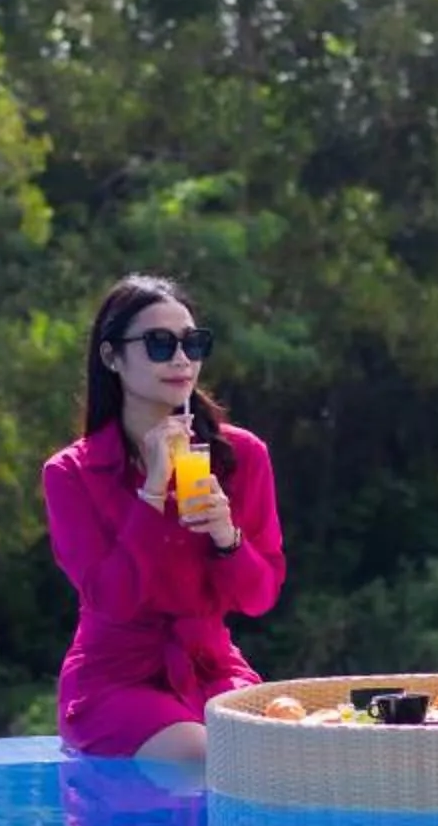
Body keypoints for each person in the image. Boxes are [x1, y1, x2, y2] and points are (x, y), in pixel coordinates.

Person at [41, 275, 286, 763]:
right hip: (115, 678)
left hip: (212, 670)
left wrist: (227, 537)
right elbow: (112, 598)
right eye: (159, 344)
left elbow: (259, 598)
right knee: (204, 757)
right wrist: (152, 491)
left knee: (282, 750)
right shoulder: (72, 473)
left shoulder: (242, 456)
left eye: (193, 344)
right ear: (111, 357)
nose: (181, 359)